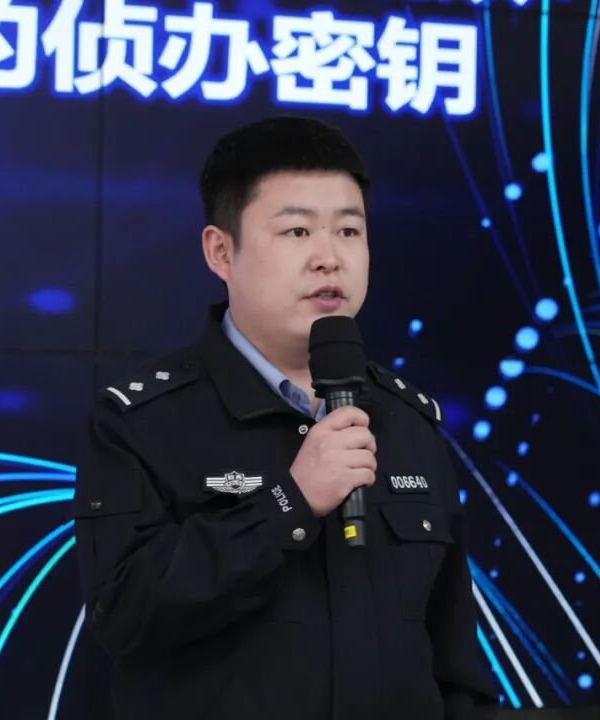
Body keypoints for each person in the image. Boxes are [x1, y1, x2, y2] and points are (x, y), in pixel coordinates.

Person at [74, 115, 498, 720]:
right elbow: (124, 615)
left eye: (349, 231)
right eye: (297, 230)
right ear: (221, 251)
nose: (329, 258)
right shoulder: (141, 422)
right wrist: (289, 502)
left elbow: (456, 664)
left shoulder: (406, 420)